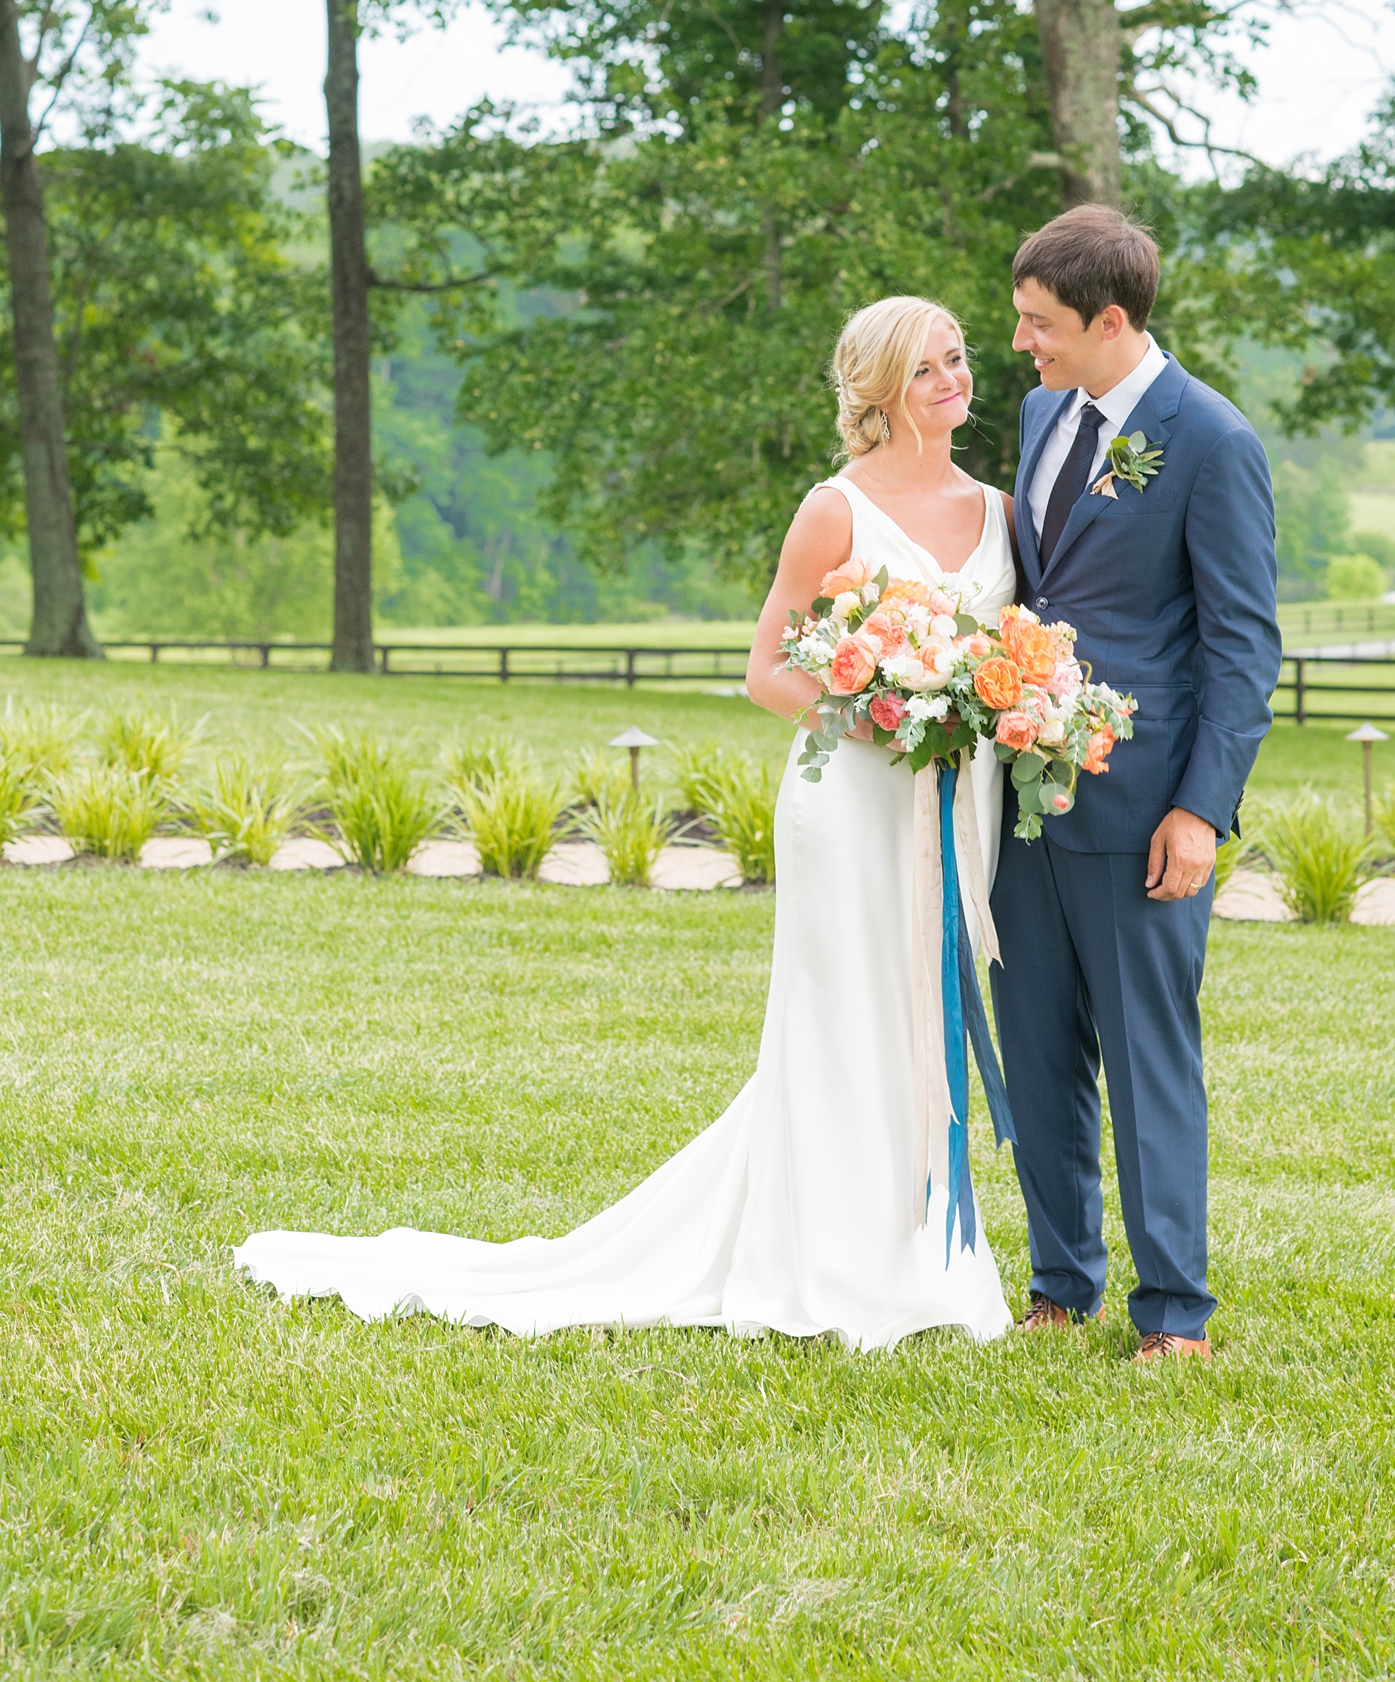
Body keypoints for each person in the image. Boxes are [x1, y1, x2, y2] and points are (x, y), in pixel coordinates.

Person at [234, 295, 1016, 1351]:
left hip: (951, 804)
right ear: (876, 390)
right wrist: (881, 713)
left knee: (925, 1015)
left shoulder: (1000, 512)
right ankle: (832, 1266)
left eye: (957, 359)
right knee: (847, 1020)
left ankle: (927, 1256)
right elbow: (766, 670)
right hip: (850, 797)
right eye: (925, 369)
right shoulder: (833, 509)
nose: (951, 381)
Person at [990, 205, 1280, 1361]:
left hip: (1141, 806)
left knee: (1146, 1051)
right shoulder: (1036, 414)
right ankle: (1060, 1282)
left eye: (1038, 324)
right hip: (1019, 798)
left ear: (1110, 321)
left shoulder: (1210, 440)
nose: (1021, 344)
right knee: (1036, 1047)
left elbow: (1240, 648)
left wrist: (1200, 809)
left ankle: (1174, 1315)